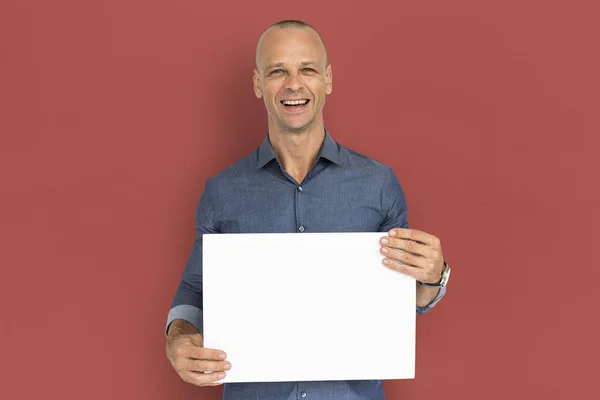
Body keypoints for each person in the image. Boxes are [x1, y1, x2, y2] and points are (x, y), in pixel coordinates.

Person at [165, 19, 450, 400]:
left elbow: (405, 298)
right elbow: (195, 288)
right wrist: (178, 339)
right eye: (277, 71)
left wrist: (435, 276)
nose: (294, 84)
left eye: (308, 69)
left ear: (328, 80)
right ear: (257, 84)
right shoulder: (222, 192)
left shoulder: (378, 185)